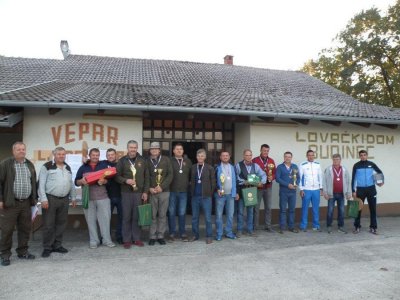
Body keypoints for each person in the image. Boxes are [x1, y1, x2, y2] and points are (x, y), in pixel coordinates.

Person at [0, 142, 37, 266]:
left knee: (25, 229)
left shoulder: (29, 165)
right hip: (10, 203)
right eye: (18, 149)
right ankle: (5, 255)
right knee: (7, 230)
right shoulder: (6, 164)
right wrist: (0, 199)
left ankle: (23, 252)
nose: (21, 151)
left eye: (23, 149)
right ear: (13, 151)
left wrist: (34, 200)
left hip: (26, 203)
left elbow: (33, 184)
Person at [38, 147, 77, 258]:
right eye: (59, 154)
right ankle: (47, 247)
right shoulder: (47, 166)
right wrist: (43, 199)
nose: (61, 156)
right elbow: (41, 184)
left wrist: (73, 197)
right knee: (48, 225)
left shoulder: (67, 167)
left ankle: (57, 245)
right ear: (54, 155)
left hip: (64, 199)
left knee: (61, 224)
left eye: (63, 154)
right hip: (50, 199)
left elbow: (71, 183)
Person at [75, 148, 115, 249]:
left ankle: (107, 240)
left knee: (105, 220)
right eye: (93, 155)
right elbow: (76, 181)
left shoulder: (104, 165)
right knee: (91, 221)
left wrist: (105, 182)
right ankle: (94, 241)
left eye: (97, 155)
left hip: (103, 198)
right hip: (88, 198)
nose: (95, 157)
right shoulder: (83, 167)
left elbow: (111, 181)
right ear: (89, 155)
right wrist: (81, 181)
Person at [115, 140, 149, 249]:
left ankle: (137, 238)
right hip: (126, 193)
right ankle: (126, 240)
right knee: (126, 216)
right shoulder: (122, 161)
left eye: (134, 147)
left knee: (136, 216)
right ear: (127, 148)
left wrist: (145, 192)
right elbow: (116, 176)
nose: (133, 149)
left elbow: (147, 177)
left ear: (137, 148)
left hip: (139, 193)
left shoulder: (143, 161)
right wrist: (126, 181)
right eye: (131, 147)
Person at [235, 149, 266, 237]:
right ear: (243, 156)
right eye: (247, 155)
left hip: (251, 191)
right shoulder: (238, 165)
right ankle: (239, 230)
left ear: (251, 156)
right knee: (240, 212)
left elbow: (263, 175)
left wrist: (261, 182)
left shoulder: (255, 166)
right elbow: (236, 177)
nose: (248, 157)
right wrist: (244, 181)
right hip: (241, 190)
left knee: (250, 211)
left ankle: (250, 230)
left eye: (250, 155)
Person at [147, 142, 173, 246]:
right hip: (152, 192)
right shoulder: (146, 161)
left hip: (164, 191)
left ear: (159, 150)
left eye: (156, 149)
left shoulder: (166, 160)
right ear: (150, 150)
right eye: (152, 149)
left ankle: (160, 235)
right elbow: (146, 175)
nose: (154, 150)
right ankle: (152, 236)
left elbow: (170, 175)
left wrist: (162, 187)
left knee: (162, 215)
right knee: (153, 215)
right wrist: (149, 188)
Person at [352, 150, 384, 234]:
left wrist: (380, 182)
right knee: (357, 209)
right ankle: (357, 226)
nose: (363, 156)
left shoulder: (372, 164)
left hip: (371, 189)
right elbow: (353, 178)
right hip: (360, 190)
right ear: (359, 156)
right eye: (361, 155)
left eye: (364, 155)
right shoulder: (356, 165)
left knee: (373, 209)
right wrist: (353, 190)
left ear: (367, 156)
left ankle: (373, 227)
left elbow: (379, 172)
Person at [189, 149, 216, 244]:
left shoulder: (210, 168)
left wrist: (209, 193)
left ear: (205, 157)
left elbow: (213, 182)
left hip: (206, 197)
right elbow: (190, 181)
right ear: (196, 157)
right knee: (194, 218)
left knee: (208, 218)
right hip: (195, 197)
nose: (200, 157)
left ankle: (209, 236)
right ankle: (195, 235)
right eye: (198, 156)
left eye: (202, 156)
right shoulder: (192, 167)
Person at [168, 143, 192, 242]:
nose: (179, 151)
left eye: (180, 149)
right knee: (171, 213)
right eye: (177, 149)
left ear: (183, 151)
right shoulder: (169, 161)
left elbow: (192, 175)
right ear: (173, 151)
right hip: (172, 191)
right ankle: (172, 233)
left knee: (182, 213)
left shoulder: (188, 161)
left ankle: (183, 233)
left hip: (184, 192)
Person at [322, 154, 352, 234]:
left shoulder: (344, 169)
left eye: (337, 159)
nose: (336, 161)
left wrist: (349, 192)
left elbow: (348, 181)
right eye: (334, 159)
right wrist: (325, 192)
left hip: (342, 194)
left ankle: (341, 226)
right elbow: (324, 181)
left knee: (341, 211)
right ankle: (329, 226)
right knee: (330, 210)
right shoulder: (328, 169)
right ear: (332, 160)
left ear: (340, 160)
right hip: (331, 194)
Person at [215, 151, 239, 241]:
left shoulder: (233, 167)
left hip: (231, 195)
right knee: (219, 215)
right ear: (220, 157)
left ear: (229, 157)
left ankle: (228, 232)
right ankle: (219, 233)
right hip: (220, 195)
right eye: (223, 155)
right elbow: (213, 180)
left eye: (227, 155)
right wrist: (217, 189)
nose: (225, 157)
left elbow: (235, 181)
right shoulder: (217, 167)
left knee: (230, 215)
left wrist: (236, 192)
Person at [252, 144, 276, 231]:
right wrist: (256, 182)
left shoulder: (271, 160)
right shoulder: (255, 160)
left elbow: (274, 173)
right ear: (260, 150)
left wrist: (272, 177)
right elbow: (251, 173)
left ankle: (268, 226)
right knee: (256, 208)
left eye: (267, 151)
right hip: (258, 188)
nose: (265, 152)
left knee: (268, 207)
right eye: (264, 150)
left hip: (268, 187)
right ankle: (255, 227)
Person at [298, 150, 323, 232]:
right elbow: (300, 177)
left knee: (316, 209)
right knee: (305, 208)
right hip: (306, 189)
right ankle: (303, 225)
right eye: (309, 155)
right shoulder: (302, 165)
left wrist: (321, 188)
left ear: (314, 156)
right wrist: (301, 189)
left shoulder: (318, 165)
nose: (311, 157)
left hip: (316, 189)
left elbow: (320, 176)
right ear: (307, 156)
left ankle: (316, 225)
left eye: (312, 155)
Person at [275, 151, 299, 234]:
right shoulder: (280, 167)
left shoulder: (295, 166)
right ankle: (282, 227)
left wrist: (296, 184)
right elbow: (277, 179)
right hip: (283, 192)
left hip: (293, 192)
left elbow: (298, 177)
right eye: (286, 156)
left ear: (291, 158)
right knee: (283, 210)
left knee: (292, 210)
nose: (287, 158)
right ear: (284, 157)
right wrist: (287, 185)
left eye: (289, 157)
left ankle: (291, 227)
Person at [105, 148, 123, 244]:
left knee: (121, 217)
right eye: (108, 155)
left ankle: (119, 236)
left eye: (112, 154)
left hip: (121, 195)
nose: (110, 156)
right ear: (106, 156)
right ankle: (106, 237)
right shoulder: (102, 164)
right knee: (107, 218)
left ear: (116, 155)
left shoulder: (120, 164)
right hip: (107, 196)